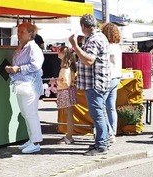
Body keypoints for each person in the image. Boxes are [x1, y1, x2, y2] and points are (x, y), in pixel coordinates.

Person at [69, 14, 111, 156]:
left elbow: (89, 60)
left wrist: (74, 45)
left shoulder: (94, 39)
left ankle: (101, 145)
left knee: (98, 114)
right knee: (101, 114)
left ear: (83, 26)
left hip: (95, 83)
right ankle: (103, 141)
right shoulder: (98, 37)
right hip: (99, 82)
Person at [7, 22, 44, 154]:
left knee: (30, 114)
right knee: (25, 114)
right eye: (18, 31)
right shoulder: (21, 47)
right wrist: (13, 69)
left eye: (21, 31)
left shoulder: (33, 48)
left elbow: (36, 66)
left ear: (30, 34)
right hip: (22, 85)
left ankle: (36, 142)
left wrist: (18, 69)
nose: (19, 34)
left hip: (31, 85)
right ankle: (32, 139)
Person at [101, 23, 122, 143]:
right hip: (117, 77)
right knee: (111, 107)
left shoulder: (108, 47)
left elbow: (109, 63)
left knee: (102, 106)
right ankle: (113, 132)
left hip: (109, 77)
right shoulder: (117, 46)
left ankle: (108, 132)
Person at [55, 46, 78, 144]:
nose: (57, 53)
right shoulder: (69, 67)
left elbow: (65, 83)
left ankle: (69, 136)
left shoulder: (65, 68)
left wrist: (56, 82)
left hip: (65, 91)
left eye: (59, 52)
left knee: (68, 114)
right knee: (69, 114)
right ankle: (69, 135)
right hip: (69, 90)